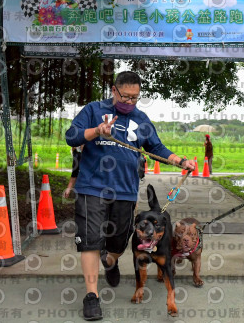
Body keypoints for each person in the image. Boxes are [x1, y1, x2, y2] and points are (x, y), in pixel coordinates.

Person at [65, 71, 196, 321]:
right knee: (91, 241)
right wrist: (96, 131)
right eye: (125, 97)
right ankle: (92, 296)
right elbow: (71, 136)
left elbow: (156, 147)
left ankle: (111, 261)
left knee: (118, 243)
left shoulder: (141, 118)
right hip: (91, 188)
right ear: (114, 91)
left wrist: (180, 160)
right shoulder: (93, 110)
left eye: (135, 98)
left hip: (125, 191)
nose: (130, 102)